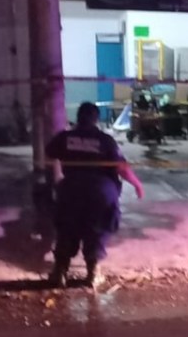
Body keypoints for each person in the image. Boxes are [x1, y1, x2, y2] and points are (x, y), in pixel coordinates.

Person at [45, 102, 144, 288]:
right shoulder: (105, 140)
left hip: (71, 190)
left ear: (79, 117)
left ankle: (59, 272)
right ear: (96, 119)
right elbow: (120, 167)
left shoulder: (64, 138)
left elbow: (49, 153)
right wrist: (137, 184)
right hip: (100, 192)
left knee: (67, 229)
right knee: (97, 230)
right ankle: (93, 273)